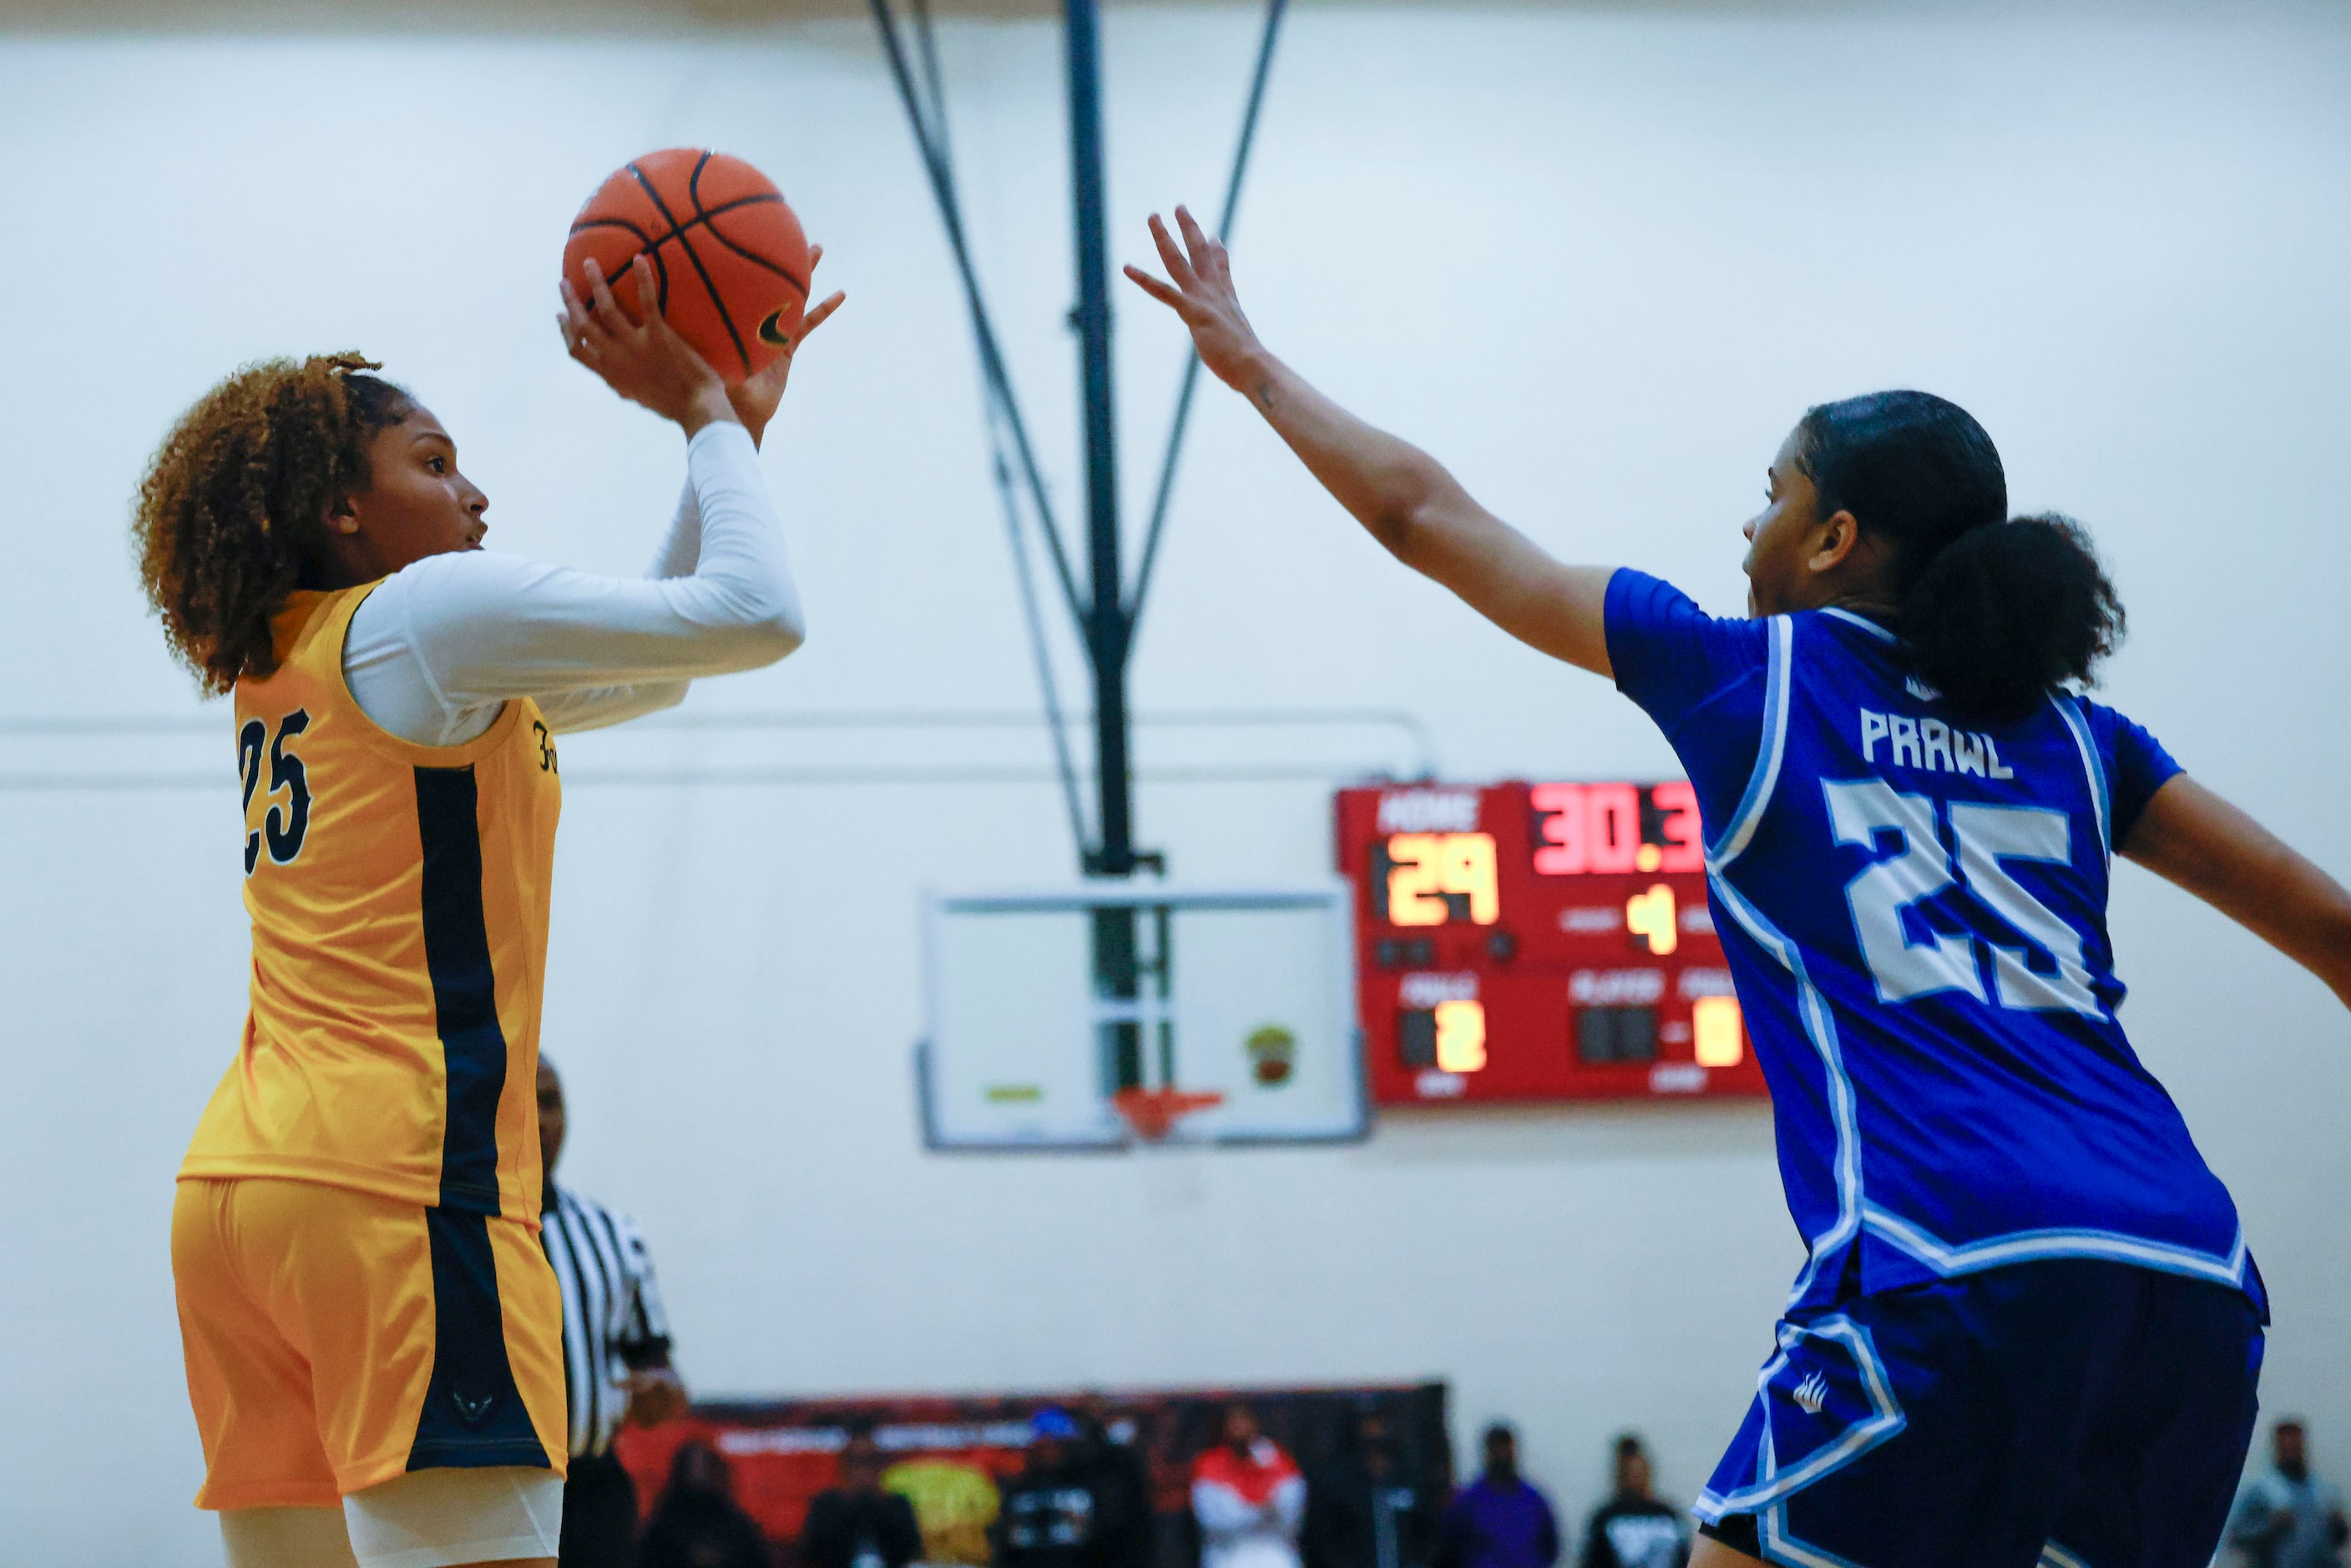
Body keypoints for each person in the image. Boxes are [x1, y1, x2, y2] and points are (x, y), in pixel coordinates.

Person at [1126, 207, 2351, 1568]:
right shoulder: (2079, 735)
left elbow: (1426, 517)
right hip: (2189, 1273)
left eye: (1770, 490)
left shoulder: (1741, 674)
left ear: (1831, 538)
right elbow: (2335, 929)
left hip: (1951, 1245)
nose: (1748, 518)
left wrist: (1254, 368)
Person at [151, 249, 842, 1568]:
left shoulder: (309, 649)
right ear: (344, 510)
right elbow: (760, 615)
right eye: (431, 461)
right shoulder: (425, 620)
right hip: (397, 1188)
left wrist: (733, 440)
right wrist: (703, 420)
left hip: (240, 1194)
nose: (473, 492)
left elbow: (667, 662)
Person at [538, 1057, 690, 1568]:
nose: (538, 1120)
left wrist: (662, 1393)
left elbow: (657, 1365)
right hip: (491, 1492)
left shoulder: (613, 1235)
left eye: (550, 1102)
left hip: (592, 1489)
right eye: (523, 1104)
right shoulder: (450, 1234)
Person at [1307, 1408, 1433, 1568]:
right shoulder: (1336, 1487)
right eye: (1368, 1444)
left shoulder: (1409, 1480)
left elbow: (1428, 1534)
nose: (1375, 1454)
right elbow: (1323, 1541)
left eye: (1381, 1444)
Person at [1193, 1404, 1308, 1568]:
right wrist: (1257, 1511)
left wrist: (1269, 1507)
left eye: (1244, 1419)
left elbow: (1291, 1516)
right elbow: (1213, 1521)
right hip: (1229, 1554)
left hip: (1273, 1553)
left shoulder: (1279, 1461)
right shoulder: (1210, 1465)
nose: (1239, 1426)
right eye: (1233, 1421)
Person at [2228, 1419, 2350, 1568]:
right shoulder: (2262, 1492)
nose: (2292, 1452)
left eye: (2296, 1446)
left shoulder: (2323, 1493)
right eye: (2287, 1447)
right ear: (2278, 1448)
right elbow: (2237, 1536)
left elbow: (2338, 1540)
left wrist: (2339, 1526)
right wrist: (2270, 1525)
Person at [1434, 1426, 1558, 1568]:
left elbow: (1550, 1547)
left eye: (1505, 1448)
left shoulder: (1534, 1502)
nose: (1501, 1455)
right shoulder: (1467, 1504)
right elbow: (1450, 1550)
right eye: (1496, 1449)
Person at [802, 1428, 924, 1568]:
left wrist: (879, 1503)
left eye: (869, 1463)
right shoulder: (825, 1505)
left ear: (880, 1466)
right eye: (856, 1463)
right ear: (844, 1466)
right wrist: (849, 1502)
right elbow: (814, 1555)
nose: (863, 1471)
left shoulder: (897, 1505)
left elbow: (910, 1553)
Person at [639, 1441, 773, 1568]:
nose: (698, 1473)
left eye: (702, 1467)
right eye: (693, 1467)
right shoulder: (664, 1525)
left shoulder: (734, 1525)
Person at [1578, 1438, 1686, 1568]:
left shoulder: (1668, 1516)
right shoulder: (1605, 1518)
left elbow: (1685, 1556)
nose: (1637, 1478)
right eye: (1632, 1473)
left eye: (1640, 1472)